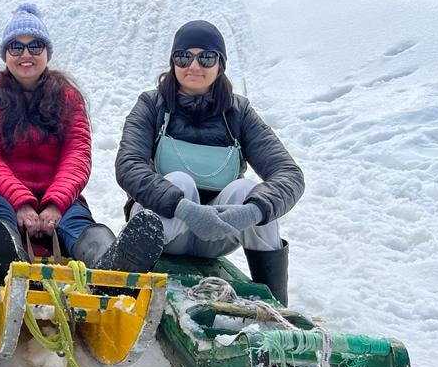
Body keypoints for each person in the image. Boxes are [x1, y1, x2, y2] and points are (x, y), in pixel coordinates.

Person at [0, 5, 165, 280]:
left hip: (58, 196)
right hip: (3, 194)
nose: (26, 54)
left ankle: (112, 265)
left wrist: (56, 203)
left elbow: (77, 155)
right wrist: (20, 200)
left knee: (78, 223)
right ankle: (9, 264)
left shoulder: (68, 97)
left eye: (35, 46)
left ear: (46, 52)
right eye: (16, 47)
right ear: (5, 55)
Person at [114, 20, 304, 304]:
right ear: (173, 62)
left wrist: (251, 213)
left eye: (206, 57)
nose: (194, 65)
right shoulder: (152, 105)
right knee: (180, 181)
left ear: (220, 64)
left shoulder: (239, 112)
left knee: (248, 192)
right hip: (163, 230)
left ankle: (276, 305)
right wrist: (184, 207)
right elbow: (129, 164)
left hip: (218, 232)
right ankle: (120, 290)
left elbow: (289, 174)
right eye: (183, 56)